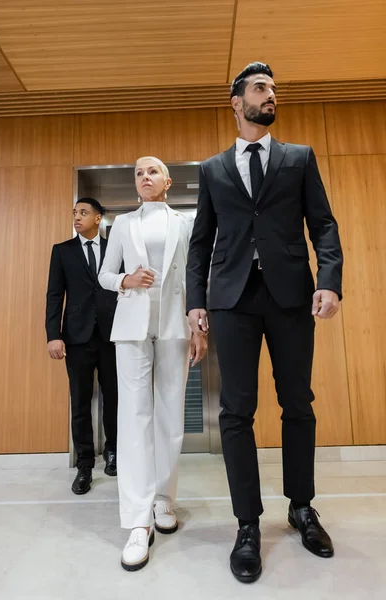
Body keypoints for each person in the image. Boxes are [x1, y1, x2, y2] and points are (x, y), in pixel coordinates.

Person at [186, 62, 343, 583]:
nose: (271, 96)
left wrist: (329, 280)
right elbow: (201, 243)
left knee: (297, 403)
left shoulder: (298, 158)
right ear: (236, 102)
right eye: (260, 89)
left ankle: (301, 507)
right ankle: (247, 524)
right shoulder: (212, 170)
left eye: (273, 89)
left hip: (291, 296)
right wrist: (195, 302)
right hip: (231, 299)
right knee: (235, 411)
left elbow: (322, 224)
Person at [99, 156, 207, 572]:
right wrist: (126, 280)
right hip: (131, 328)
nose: (144, 177)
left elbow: (198, 274)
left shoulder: (186, 223)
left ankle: (164, 499)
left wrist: (199, 327)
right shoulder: (124, 224)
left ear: (168, 181)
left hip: (176, 326)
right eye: (138, 173)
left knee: (169, 417)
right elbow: (107, 275)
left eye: (152, 172)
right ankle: (138, 520)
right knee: (134, 418)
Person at [46, 198, 118, 495]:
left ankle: (114, 452)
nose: (77, 217)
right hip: (76, 337)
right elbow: (54, 294)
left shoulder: (116, 247)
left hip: (114, 336)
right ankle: (85, 464)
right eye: (74, 212)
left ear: (98, 218)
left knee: (116, 398)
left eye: (83, 212)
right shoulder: (63, 251)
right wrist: (53, 334)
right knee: (80, 402)